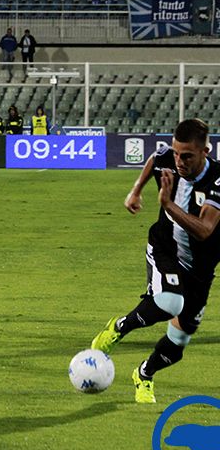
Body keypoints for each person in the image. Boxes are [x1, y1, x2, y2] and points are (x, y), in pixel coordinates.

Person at [90, 119, 220, 404]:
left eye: (186, 156)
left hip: (200, 269)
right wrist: (135, 190)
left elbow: (205, 230)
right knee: (171, 302)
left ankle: (144, 375)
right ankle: (119, 328)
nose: (179, 160)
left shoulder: (218, 180)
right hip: (165, 248)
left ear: (205, 152)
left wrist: (168, 205)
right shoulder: (169, 158)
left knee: (178, 343)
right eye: (176, 153)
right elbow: (155, 157)